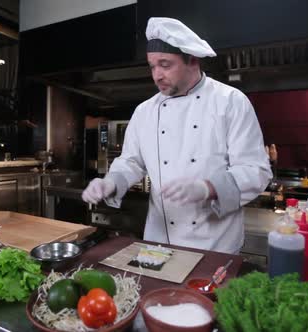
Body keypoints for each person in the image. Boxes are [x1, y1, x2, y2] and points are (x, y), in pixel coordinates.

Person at [82, 17, 272, 254]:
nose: (157, 75)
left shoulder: (231, 102)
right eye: (152, 66)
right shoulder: (145, 111)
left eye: (165, 64)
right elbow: (131, 162)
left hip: (215, 245)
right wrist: (111, 182)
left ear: (192, 60)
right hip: (158, 242)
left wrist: (208, 188)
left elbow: (256, 171)